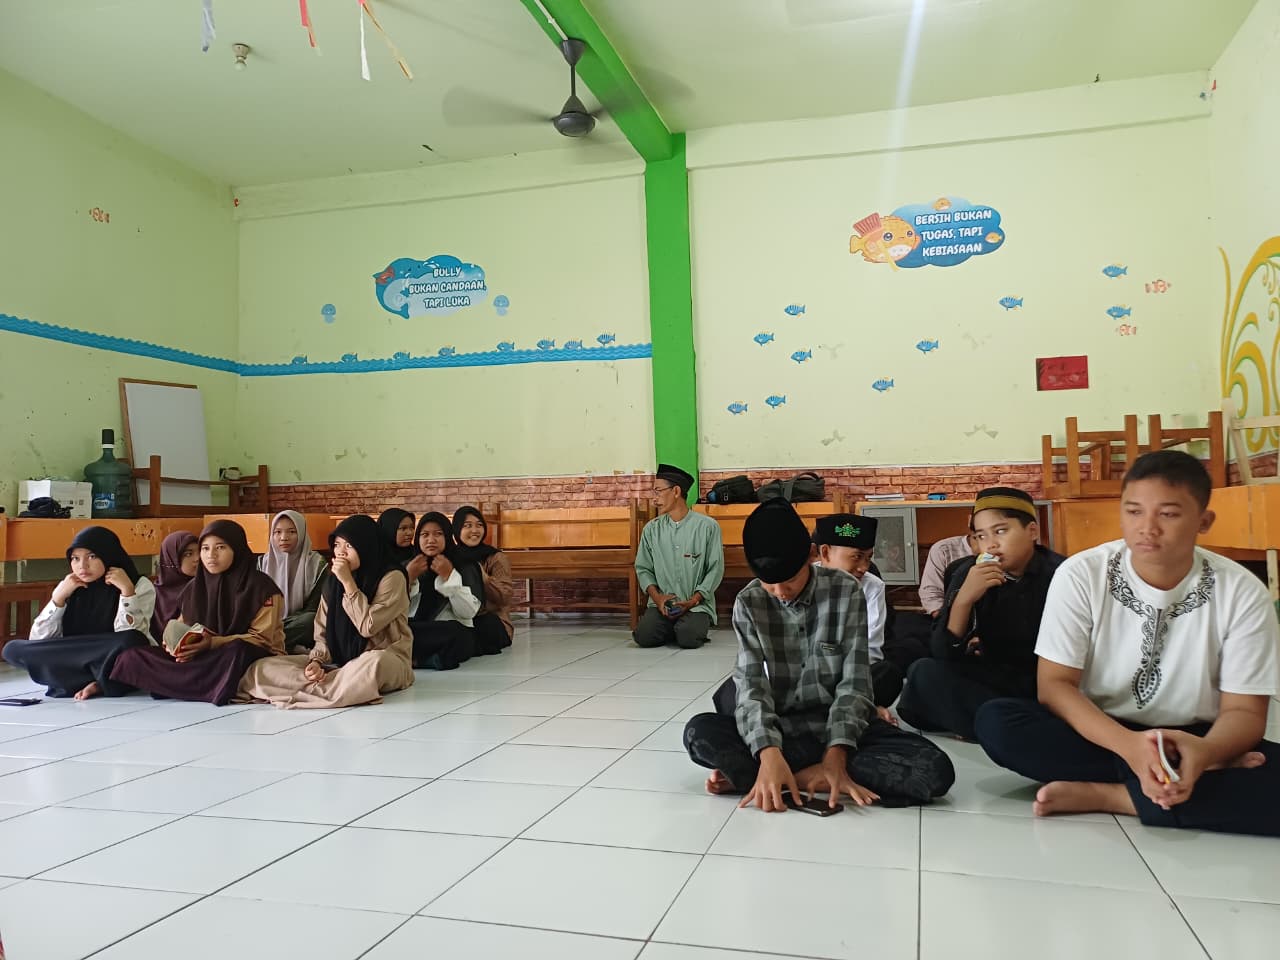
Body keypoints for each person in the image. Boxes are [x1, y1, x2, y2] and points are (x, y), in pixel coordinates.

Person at [976, 451, 1280, 834]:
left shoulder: (1242, 592)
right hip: (1102, 732)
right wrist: (1131, 747)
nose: (1147, 528)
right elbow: (1054, 686)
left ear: (1204, 521)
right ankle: (1193, 781)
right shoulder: (1081, 574)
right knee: (999, 724)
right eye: (1134, 512)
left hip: (1196, 736)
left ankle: (1113, 796)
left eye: (1168, 514)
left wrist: (1206, 753)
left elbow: (1245, 713)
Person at [683, 498, 954, 810]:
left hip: (837, 723)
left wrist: (836, 754)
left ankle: (782, 776)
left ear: (812, 556)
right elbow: (752, 685)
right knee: (699, 732)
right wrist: (768, 752)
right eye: (769, 583)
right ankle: (785, 770)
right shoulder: (749, 601)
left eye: (789, 580)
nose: (780, 592)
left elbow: (855, 683)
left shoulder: (846, 590)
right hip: (782, 726)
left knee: (935, 769)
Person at [896, 487, 1064, 740]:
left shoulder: (1063, 573)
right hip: (997, 676)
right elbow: (942, 652)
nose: (991, 544)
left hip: (1049, 681)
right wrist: (964, 599)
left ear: (1032, 531)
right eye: (981, 536)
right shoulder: (968, 571)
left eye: (1001, 531)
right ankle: (999, 725)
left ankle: (992, 725)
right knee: (923, 671)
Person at [239, 514, 413, 708]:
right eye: (337, 545)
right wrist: (316, 662)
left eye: (349, 546)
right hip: (339, 662)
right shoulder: (333, 582)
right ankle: (331, 686)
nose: (341, 552)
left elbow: (368, 626)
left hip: (386, 658)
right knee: (262, 667)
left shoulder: (392, 577)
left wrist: (348, 583)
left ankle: (313, 689)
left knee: (373, 663)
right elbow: (322, 632)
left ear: (366, 546)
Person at [109, 519, 284, 705]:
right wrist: (175, 645)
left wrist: (212, 643)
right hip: (204, 658)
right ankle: (196, 685)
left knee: (237, 650)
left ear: (237, 549)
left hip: (238, 654)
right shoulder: (194, 587)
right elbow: (183, 624)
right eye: (205, 549)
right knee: (131, 657)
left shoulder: (262, 587)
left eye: (220, 547)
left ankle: (174, 684)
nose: (211, 555)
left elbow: (262, 639)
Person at [2, 526, 155, 700]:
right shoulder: (70, 585)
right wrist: (58, 599)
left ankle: (88, 681)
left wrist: (127, 592)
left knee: (133, 640)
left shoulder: (138, 584)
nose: (82, 566)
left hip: (112, 655)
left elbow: (134, 634)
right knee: (11, 649)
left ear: (109, 555)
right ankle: (104, 680)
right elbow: (38, 640)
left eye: (92, 556)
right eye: (75, 558)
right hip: (75, 654)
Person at [810, 514, 900, 719]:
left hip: (851, 673)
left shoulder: (873, 587)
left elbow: (871, 649)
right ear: (825, 553)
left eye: (868, 558)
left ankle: (832, 709)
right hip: (806, 673)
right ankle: (861, 709)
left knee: (887, 674)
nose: (864, 567)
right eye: (856, 557)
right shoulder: (801, 582)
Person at [634, 463, 724, 650]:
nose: (655, 498)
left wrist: (693, 600)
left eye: (658, 491)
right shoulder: (651, 529)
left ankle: (684, 627)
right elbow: (643, 568)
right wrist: (658, 598)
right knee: (644, 636)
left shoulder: (707, 527)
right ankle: (672, 626)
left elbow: (715, 569)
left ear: (676, 491)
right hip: (662, 605)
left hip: (696, 604)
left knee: (688, 638)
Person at [406, 512, 483, 669]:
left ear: (447, 536)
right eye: (425, 535)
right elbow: (395, 609)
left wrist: (449, 577)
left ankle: (412, 659)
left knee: (457, 634)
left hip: (448, 629)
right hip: (417, 628)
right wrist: (408, 579)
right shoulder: (410, 565)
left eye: (438, 534)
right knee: (397, 631)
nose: (431, 540)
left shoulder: (464, 565)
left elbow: (468, 613)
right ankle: (423, 660)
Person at [258, 510, 328, 653]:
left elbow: (314, 608)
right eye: (277, 532)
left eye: (291, 532)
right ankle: (282, 645)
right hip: (267, 623)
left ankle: (265, 644)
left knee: (310, 621)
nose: (284, 538)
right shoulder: (262, 563)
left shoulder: (317, 564)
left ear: (302, 533)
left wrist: (281, 626)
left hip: (297, 624)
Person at [452, 505, 514, 654]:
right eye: (468, 526)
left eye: (479, 525)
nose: (474, 530)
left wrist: (484, 579)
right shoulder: (451, 557)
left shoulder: (496, 557)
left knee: (482, 624)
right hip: (460, 616)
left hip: (492, 619)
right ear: (457, 529)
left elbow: (505, 598)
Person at [150, 531, 198, 642]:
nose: (198, 558)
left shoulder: (203, 587)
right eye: (188, 554)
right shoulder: (152, 592)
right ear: (171, 558)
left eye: (200, 551)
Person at [919, 525, 977, 616]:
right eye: (981, 536)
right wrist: (945, 620)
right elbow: (931, 594)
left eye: (998, 532)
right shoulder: (943, 550)